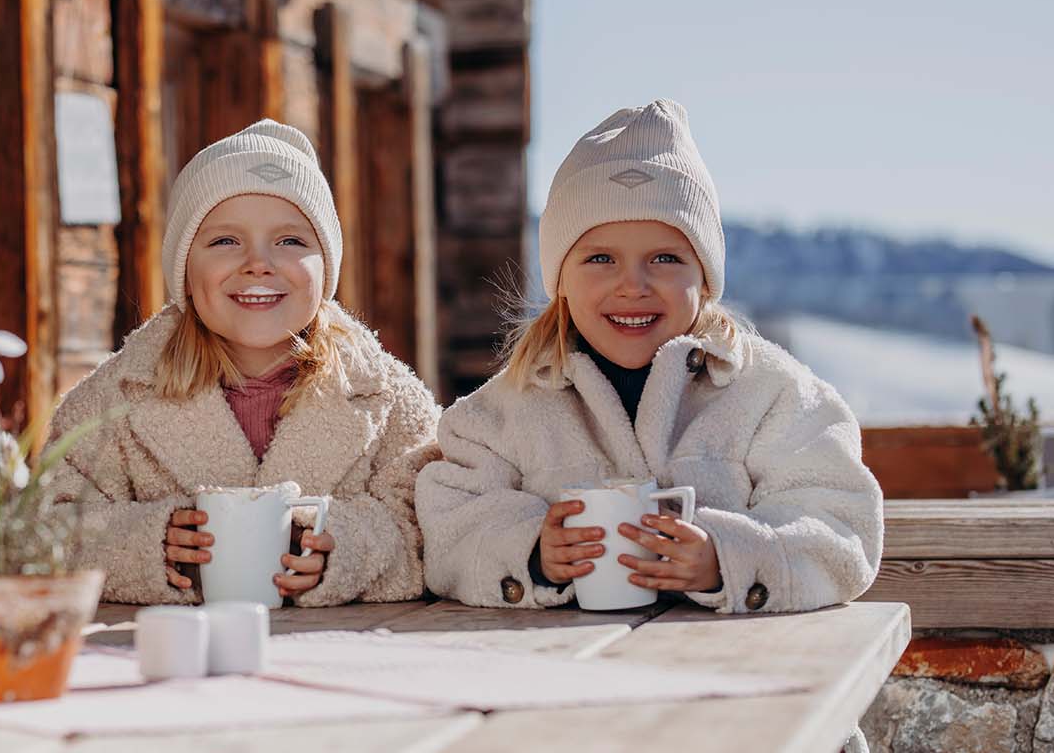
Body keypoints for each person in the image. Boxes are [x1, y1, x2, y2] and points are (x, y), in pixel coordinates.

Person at [416, 99, 883, 615]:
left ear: (703, 277)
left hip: (736, 673)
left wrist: (728, 559)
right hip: (559, 673)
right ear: (561, 281)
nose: (632, 285)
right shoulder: (505, 412)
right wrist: (531, 554)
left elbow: (839, 521)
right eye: (600, 259)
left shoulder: (772, 394)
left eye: (665, 258)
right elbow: (448, 523)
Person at [47, 119, 440, 606]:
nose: (258, 263)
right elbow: (46, 526)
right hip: (175, 661)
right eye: (225, 241)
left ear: (326, 266)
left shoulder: (391, 402)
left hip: (337, 657)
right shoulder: (113, 398)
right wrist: (146, 544)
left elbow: (432, 531)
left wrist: (345, 549)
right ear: (186, 271)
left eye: (291, 241)